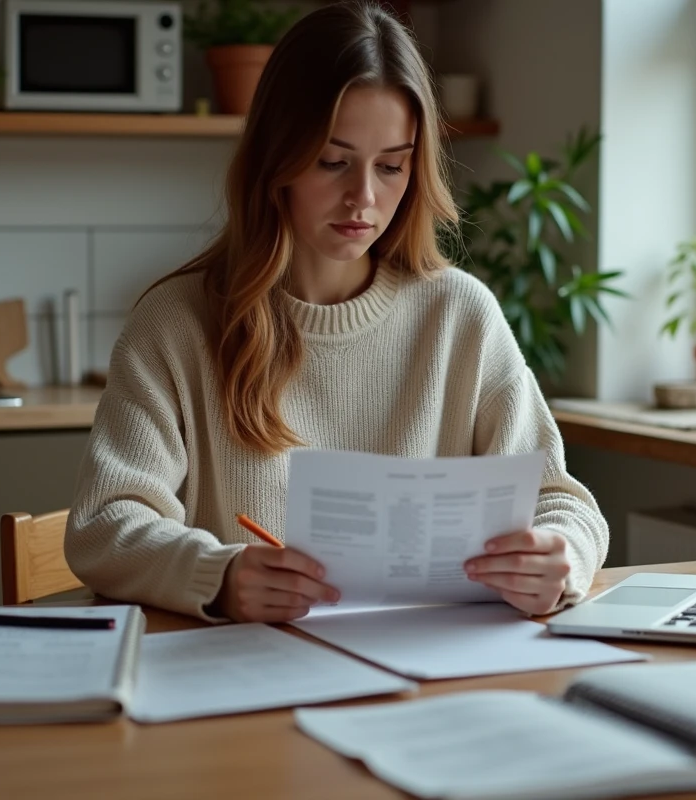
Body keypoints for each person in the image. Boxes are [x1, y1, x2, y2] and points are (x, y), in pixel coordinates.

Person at [65, 0, 609, 624]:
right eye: (333, 161)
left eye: (392, 166)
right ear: (277, 157)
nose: (365, 198)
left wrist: (558, 558)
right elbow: (104, 524)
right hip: (245, 682)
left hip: (427, 677)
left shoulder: (460, 315)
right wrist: (221, 575)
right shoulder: (176, 322)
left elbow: (563, 502)